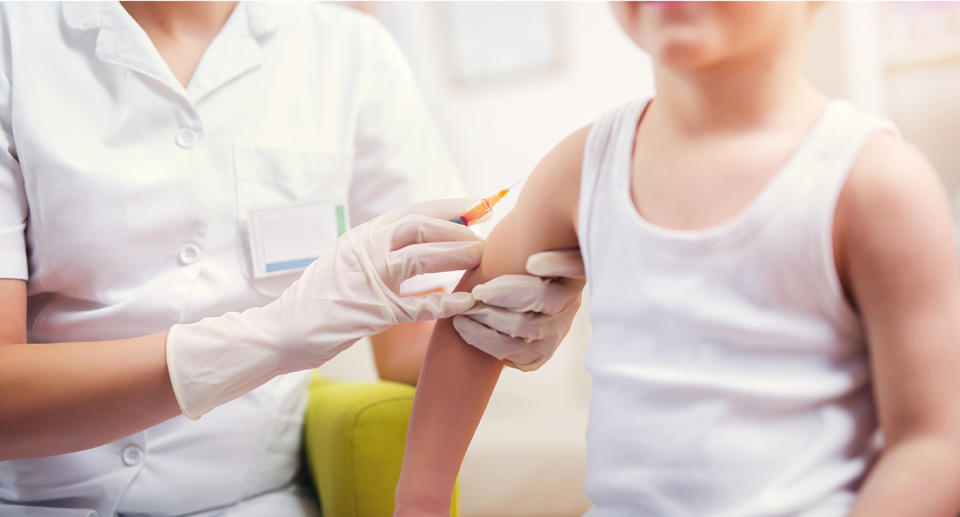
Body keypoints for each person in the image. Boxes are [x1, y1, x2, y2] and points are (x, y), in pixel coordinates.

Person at [0, 2, 582, 515]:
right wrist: (272, 334)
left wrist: (510, 325)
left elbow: (413, 343)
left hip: (254, 501)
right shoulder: (13, 39)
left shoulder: (349, 52)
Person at [394, 3, 960, 516]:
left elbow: (934, 445)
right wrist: (420, 502)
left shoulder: (876, 185)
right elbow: (474, 324)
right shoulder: (584, 166)